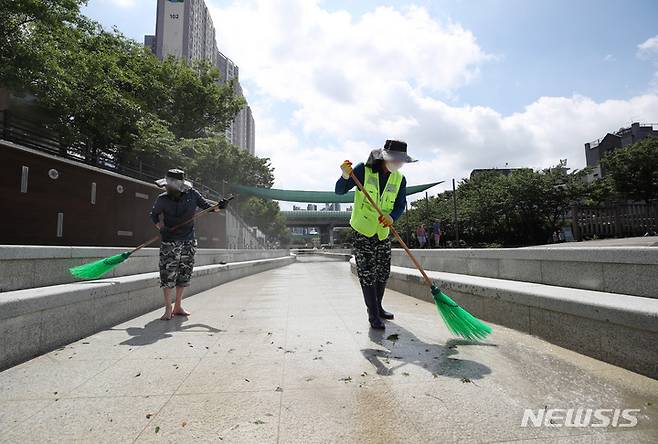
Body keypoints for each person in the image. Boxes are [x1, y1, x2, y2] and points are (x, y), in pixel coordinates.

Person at [335, 140, 416, 329]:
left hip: (382, 231)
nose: (398, 163)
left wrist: (393, 217)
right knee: (367, 273)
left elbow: (399, 205)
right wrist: (345, 175)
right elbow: (339, 191)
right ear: (384, 156)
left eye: (401, 160)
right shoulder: (364, 170)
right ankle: (373, 315)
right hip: (362, 229)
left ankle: (378, 307)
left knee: (383, 272)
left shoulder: (399, 179)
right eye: (395, 159)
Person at [150, 169, 230, 320]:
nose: (166, 188)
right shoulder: (162, 199)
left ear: (178, 186)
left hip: (188, 240)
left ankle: (178, 305)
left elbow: (209, 209)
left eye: (169, 186)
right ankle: (168, 308)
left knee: (184, 274)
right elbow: (153, 216)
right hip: (169, 241)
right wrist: (162, 228)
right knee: (167, 275)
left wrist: (220, 206)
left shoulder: (193, 194)